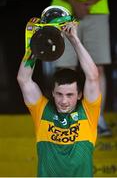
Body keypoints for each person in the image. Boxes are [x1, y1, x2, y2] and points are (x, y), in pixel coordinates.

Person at [17, 22, 101, 177]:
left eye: (70, 95)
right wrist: (34, 46)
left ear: (79, 95)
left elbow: (93, 76)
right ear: (53, 93)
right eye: (60, 94)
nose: (64, 101)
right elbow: (24, 80)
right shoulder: (41, 110)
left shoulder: (89, 112)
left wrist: (74, 39)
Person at [50, 0, 112, 136]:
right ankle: (67, 120)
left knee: (97, 68)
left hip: (97, 10)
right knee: (66, 70)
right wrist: (74, 2)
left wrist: (89, 2)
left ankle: (97, 119)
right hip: (62, 10)